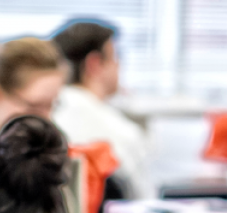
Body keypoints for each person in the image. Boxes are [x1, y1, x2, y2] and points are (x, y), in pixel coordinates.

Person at [52, 19, 152, 199]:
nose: (119, 66)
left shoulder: (45, 117)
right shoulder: (122, 133)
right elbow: (143, 202)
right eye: (115, 57)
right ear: (95, 64)